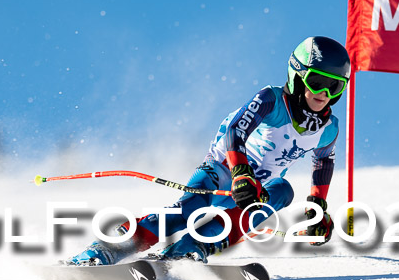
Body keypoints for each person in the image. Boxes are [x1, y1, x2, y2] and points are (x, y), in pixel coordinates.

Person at [68, 36, 351, 265]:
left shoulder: (330, 128)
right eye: (316, 82)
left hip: (256, 188)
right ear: (298, 75)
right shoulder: (272, 100)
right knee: (188, 210)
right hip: (223, 170)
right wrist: (241, 173)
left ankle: (192, 248)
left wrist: (318, 209)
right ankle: (107, 249)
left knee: (283, 191)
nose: (323, 93)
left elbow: (323, 162)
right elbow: (234, 131)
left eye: (333, 86)